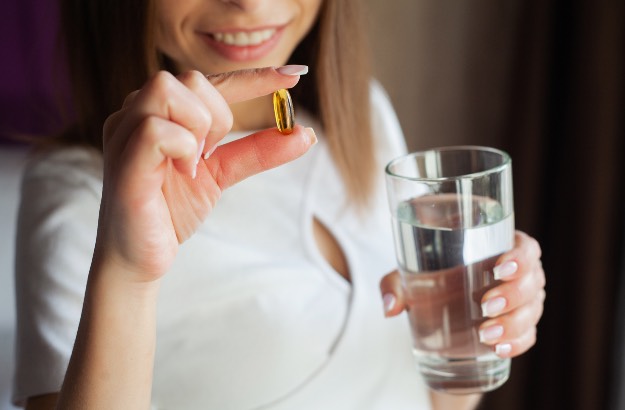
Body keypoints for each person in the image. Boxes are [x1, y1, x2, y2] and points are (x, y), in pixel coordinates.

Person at [13, 0, 546, 409]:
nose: (249, 2)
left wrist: (471, 340)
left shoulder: (362, 116)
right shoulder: (83, 196)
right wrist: (128, 274)